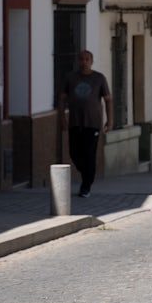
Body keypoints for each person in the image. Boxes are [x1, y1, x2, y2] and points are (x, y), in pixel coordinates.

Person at [58, 50, 113, 197]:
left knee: (89, 154)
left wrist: (110, 120)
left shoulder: (99, 78)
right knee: (74, 153)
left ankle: (86, 186)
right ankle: (88, 173)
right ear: (78, 61)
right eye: (82, 59)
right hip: (75, 122)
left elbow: (108, 100)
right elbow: (62, 98)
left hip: (93, 123)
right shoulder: (70, 77)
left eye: (87, 59)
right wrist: (62, 118)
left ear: (92, 61)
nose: (84, 62)